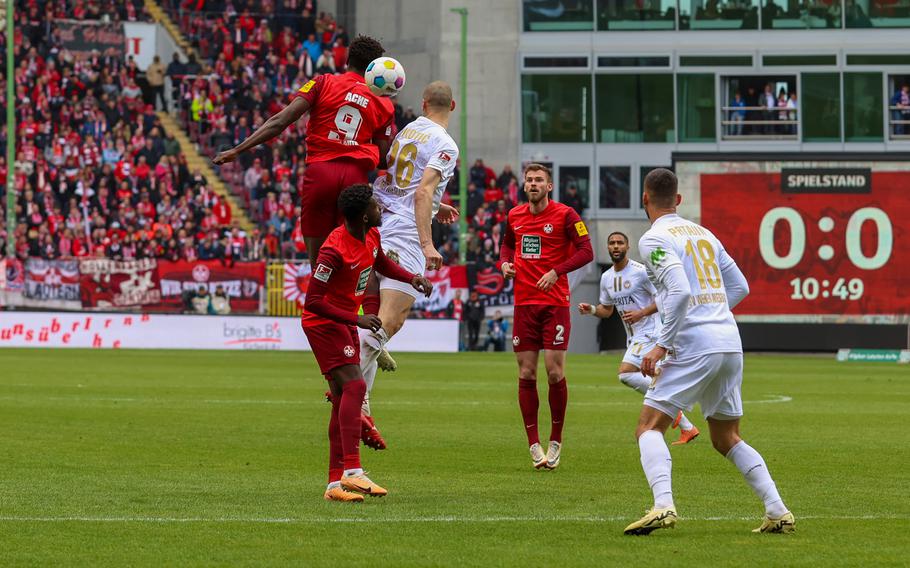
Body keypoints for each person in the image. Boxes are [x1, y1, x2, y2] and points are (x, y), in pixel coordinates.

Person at [623, 168, 793, 535]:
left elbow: (680, 292)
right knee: (725, 437)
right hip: (729, 342)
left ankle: (663, 505)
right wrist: (712, 314)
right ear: (679, 200)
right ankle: (777, 510)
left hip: (693, 344)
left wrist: (662, 344)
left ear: (645, 199)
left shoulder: (653, 239)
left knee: (648, 428)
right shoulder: (703, 233)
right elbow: (740, 287)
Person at [213, 35, 395, 263]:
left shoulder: (323, 82)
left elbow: (280, 121)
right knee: (355, 261)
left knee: (319, 264)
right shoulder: (384, 103)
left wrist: (238, 150)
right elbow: (382, 160)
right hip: (355, 179)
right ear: (374, 68)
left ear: (347, 59)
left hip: (320, 174)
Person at [302, 184, 432, 502]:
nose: (380, 210)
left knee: (342, 395)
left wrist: (410, 277)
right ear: (363, 216)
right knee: (355, 388)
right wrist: (356, 318)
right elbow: (312, 302)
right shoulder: (333, 250)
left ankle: (335, 485)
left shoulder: (370, 236)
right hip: (324, 324)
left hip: (342, 321)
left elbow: (381, 264)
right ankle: (353, 472)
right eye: (376, 206)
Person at [355, 81, 460, 449]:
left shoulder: (407, 130)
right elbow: (421, 191)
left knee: (380, 321)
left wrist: (438, 205)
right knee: (390, 321)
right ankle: (348, 382)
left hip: (380, 219)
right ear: (453, 105)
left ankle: (360, 399)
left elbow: (397, 179)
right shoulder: (446, 144)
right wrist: (428, 243)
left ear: (424, 103)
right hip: (404, 232)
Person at [499, 163, 594, 470]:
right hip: (524, 303)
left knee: (554, 372)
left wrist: (557, 271)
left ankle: (556, 440)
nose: (534, 184)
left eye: (539, 180)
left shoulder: (566, 215)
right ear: (524, 186)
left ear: (549, 186)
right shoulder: (514, 216)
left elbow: (586, 251)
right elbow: (506, 246)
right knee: (526, 373)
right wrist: (504, 264)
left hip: (554, 303)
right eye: (529, 180)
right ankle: (533, 445)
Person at [578, 231, 699, 445]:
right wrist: (591, 310)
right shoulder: (607, 278)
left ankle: (673, 407)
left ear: (628, 246)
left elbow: (663, 298)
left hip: (651, 332)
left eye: (620, 243)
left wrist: (641, 312)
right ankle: (686, 426)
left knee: (625, 374)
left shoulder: (641, 272)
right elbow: (606, 310)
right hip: (634, 337)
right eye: (612, 243)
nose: (616, 246)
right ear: (608, 248)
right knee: (643, 377)